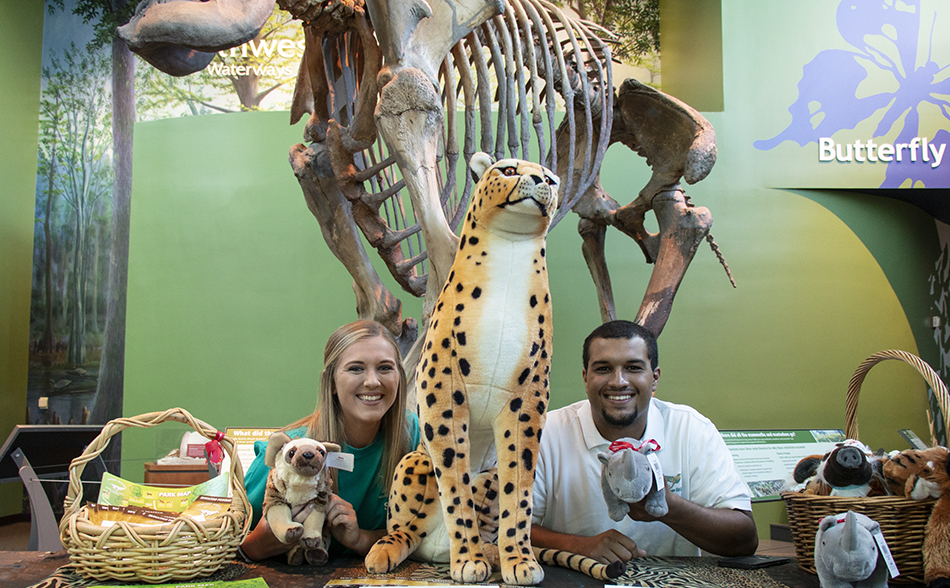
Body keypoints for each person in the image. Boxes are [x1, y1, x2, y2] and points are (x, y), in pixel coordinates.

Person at [531, 320, 757, 563]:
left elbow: (744, 539)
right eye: (603, 369)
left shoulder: (692, 429)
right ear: (586, 379)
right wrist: (579, 546)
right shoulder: (545, 433)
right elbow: (506, 528)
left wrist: (669, 506)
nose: (618, 381)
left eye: (633, 368)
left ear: (655, 378)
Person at [240, 319, 421, 560]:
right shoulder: (288, 454)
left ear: (399, 376)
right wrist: (256, 546)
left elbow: (425, 533)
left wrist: (361, 538)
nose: (372, 381)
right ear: (332, 382)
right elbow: (224, 545)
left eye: (385, 368)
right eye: (356, 368)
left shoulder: (413, 436)